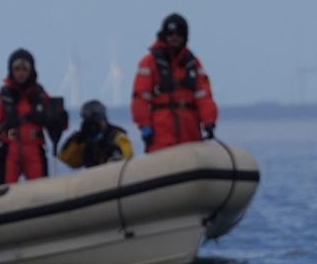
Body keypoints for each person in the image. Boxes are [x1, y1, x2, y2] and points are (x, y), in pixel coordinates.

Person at [131, 13, 218, 152]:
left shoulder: (193, 64)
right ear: (164, 34)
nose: (174, 37)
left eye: (178, 34)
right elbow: (140, 98)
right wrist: (144, 125)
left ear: (185, 36)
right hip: (162, 132)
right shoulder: (149, 62)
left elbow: (204, 96)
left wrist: (209, 121)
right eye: (170, 34)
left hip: (190, 131)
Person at [0, 48, 67, 184]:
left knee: (39, 191)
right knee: (6, 192)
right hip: (9, 151)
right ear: (11, 71)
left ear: (31, 71)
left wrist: (61, 118)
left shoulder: (41, 96)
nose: (20, 73)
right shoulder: (2, 98)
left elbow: (57, 122)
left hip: (35, 151)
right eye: (17, 69)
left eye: (24, 69)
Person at [58, 99, 134, 169]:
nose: (95, 125)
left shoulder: (116, 135)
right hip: (93, 178)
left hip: (114, 176)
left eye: (98, 120)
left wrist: (111, 149)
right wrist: (79, 141)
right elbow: (68, 159)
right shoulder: (83, 139)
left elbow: (128, 156)